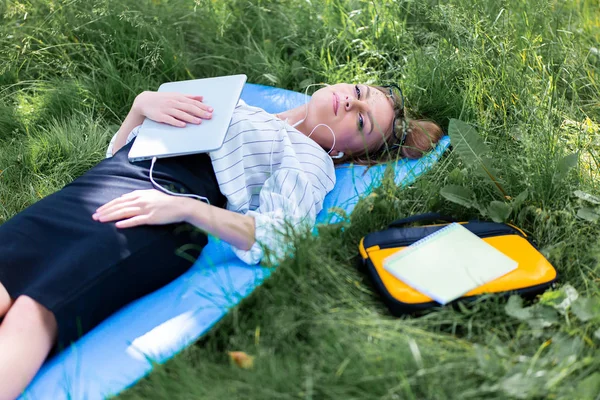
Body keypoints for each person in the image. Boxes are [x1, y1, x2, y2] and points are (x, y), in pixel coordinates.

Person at [0, 82, 443, 399]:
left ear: (345, 152)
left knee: (37, 308)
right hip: (104, 183)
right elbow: (122, 151)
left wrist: (187, 209)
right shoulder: (241, 101)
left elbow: (277, 234)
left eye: (361, 120)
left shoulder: (310, 159)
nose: (351, 102)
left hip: (158, 213)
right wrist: (140, 107)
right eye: (360, 92)